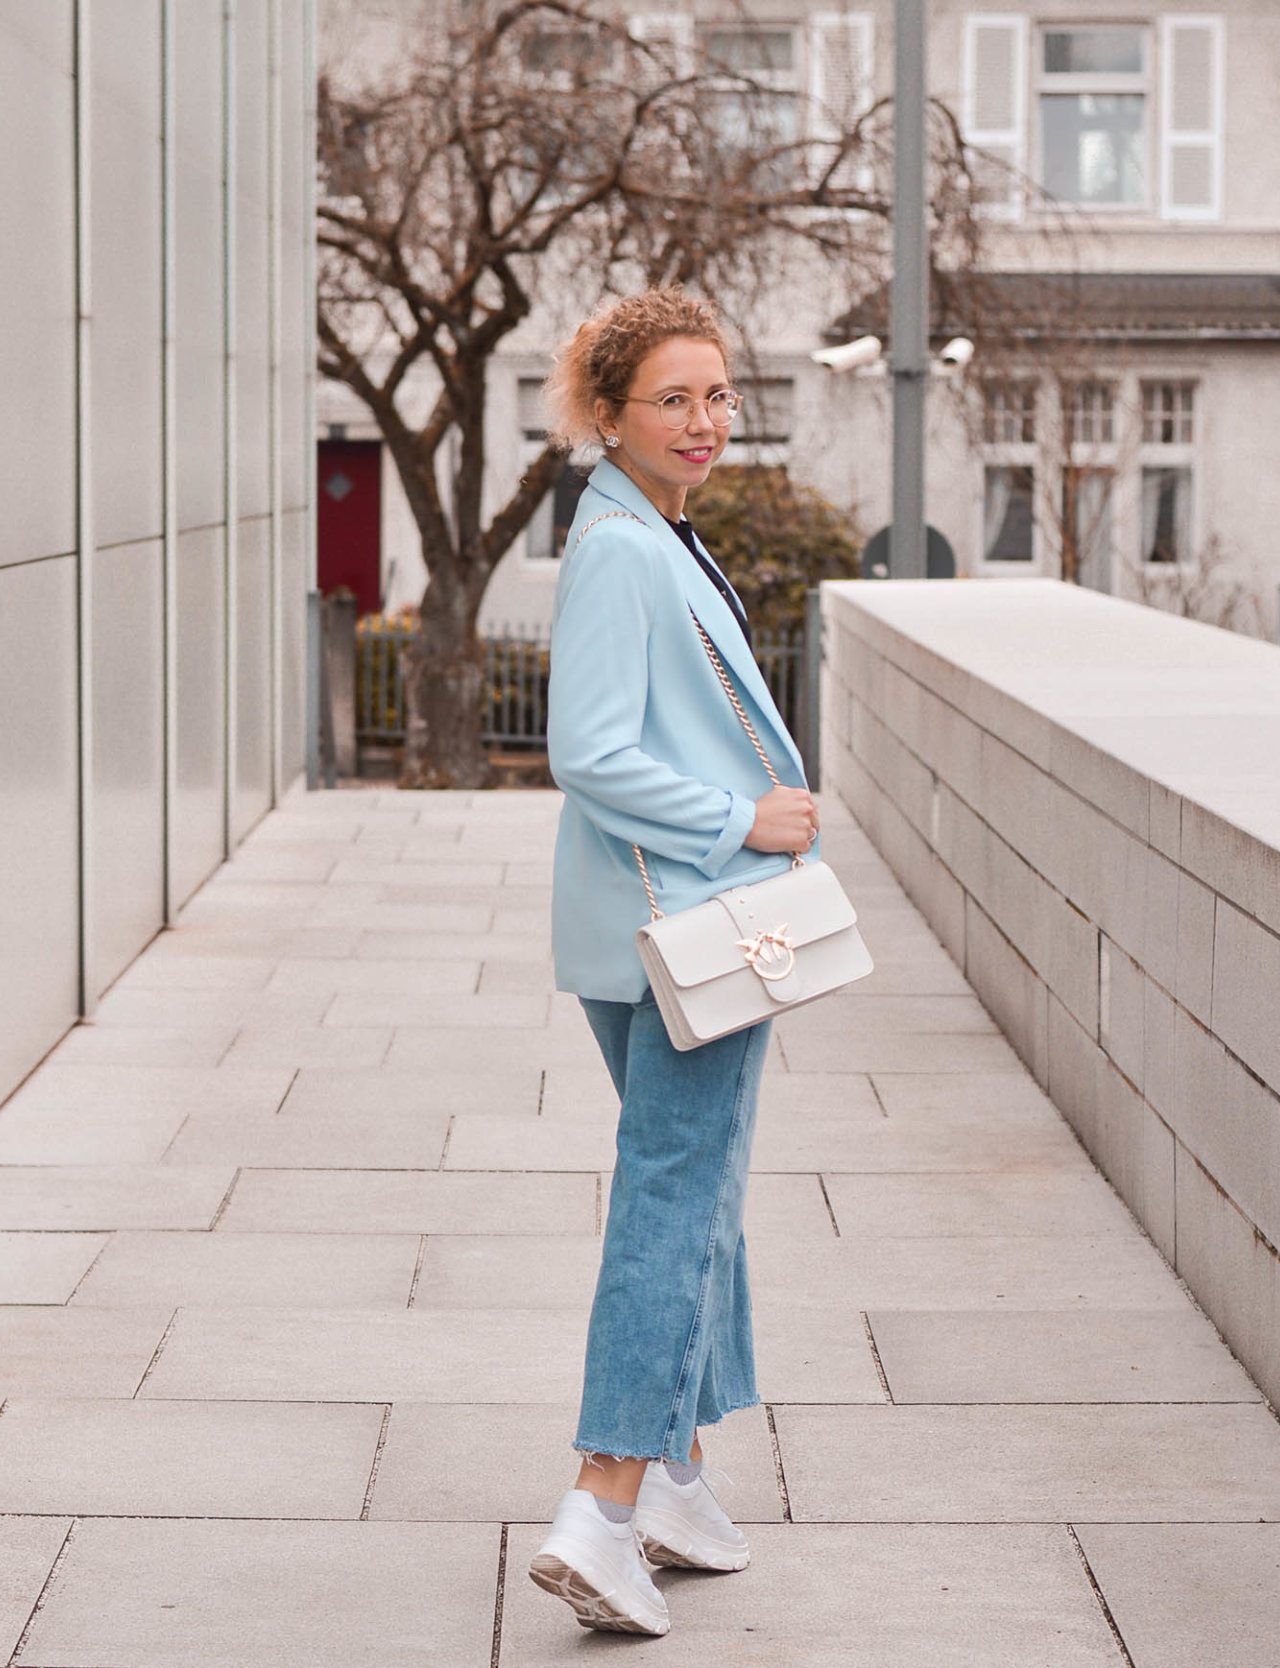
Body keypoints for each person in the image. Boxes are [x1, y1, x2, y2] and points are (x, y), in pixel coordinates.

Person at [528, 288, 819, 1637]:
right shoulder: (627, 552)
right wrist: (739, 817)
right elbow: (588, 750)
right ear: (608, 413)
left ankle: (679, 1480)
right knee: (673, 1195)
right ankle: (603, 1499)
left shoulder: (650, 531)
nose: (705, 423)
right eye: (673, 401)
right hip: (693, 924)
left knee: (692, 1189)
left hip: (644, 932)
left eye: (716, 397)